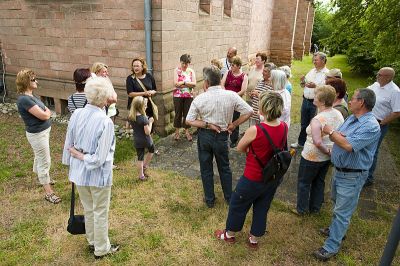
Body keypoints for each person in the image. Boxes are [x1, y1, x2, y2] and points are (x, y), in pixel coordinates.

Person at [214, 91, 288, 249]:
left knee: (238, 204)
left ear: (262, 110)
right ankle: (254, 239)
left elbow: (240, 148)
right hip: (272, 177)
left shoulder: (256, 130)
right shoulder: (284, 126)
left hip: (253, 177)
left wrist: (253, 151)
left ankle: (229, 235)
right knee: (262, 207)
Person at [313, 88, 380, 261]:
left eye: (353, 99)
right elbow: (341, 136)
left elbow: (348, 145)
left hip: (352, 175)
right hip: (340, 171)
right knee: (337, 203)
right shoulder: (352, 118)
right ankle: (335, 230)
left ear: (362, 103)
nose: (349, 101)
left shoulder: (371, 126)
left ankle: (331, 246)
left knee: (343, 212)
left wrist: (330, 132)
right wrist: (338, 137)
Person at [62, 77, 119, 259]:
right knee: (100, 211)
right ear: (105, 98)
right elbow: (99, 159)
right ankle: (101, 249)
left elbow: (68, 145)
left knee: (89, 208)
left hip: (79, 172)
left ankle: (93, 240)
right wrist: (80, 156)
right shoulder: (105, 122)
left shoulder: (77, 114)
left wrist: (74, 161)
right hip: (97, 175)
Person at [186, 66, 253, 208]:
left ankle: (210, 199)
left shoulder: (199, 98)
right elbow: (249, 111)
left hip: (205, 136)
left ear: (206, 82)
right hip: (222, 136)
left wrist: (206, 124)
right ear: (219, 80)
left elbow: (189, 120)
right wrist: (234, 124)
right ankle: (229, 198)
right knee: (225, 167)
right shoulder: (231, 95)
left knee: (206, 167)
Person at [295, 85, 344, 215]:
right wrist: (330, 152)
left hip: (312, 156)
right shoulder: (337, 113)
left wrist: (327, 151)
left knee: (304, 182)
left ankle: (301, 209)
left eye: (316, 95)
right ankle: (315, 208)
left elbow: (317, 142)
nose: (313, 97)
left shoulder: (317, 119)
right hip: (327, 157)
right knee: (319, 181)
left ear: (321, 101)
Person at [16, 69, 61, 204]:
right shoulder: (25, 99)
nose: (37, 82)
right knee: (44, 161)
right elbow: (45, 114)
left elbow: (46, 110)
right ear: (26, 82)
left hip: (42, 132)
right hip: (37, 134)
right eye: (34, 80)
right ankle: (48, 193)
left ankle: (42, 178)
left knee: (40, 156)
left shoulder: (31, 96)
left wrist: (47, 111)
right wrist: (47, 112)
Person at [365, 67, 400, 187]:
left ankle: (368, 178)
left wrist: (382, 123)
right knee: (364, 147)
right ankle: (361, 172)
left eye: (380, 75)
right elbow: (365, 92)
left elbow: (397, 112)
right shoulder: (375, 85)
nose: (377, 76)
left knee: (372, 151)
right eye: (378, 74)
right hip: (367, 120)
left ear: (388, 77)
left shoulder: (395, 91)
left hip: (379, 124)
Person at [291, 52, 329, 148]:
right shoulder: (312, 71)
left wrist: (315, 86)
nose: (314, 61)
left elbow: (327, 90)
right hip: (306, 100)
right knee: (304, 123)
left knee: (314, 124)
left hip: (316, 103)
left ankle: (311, 144)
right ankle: (301, 142)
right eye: (314, 59)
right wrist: (302, 81)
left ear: (323, 60)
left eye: (316, 60)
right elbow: (303, 85)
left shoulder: (327, 74)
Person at [222, 56, 248, 147]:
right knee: (224, 118)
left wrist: (233, 97)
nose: (231, 67)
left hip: (236, 102)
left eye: (233, 65)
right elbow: (222, 84)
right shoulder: (228, 72)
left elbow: (243, 90)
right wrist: (225, 94)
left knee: (235, 119)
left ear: (238, 66)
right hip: (225, 99)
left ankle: (234, 139)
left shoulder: (244, 76)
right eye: (231, 65)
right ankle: (223, 136)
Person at [128, 96, 155, 181]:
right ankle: (145, 166)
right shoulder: (144, 118)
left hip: (137, 139)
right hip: (146, 140)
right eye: (145, 105)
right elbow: (147, 132)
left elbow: (127, 126)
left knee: (140, 157)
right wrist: (150, 122)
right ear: (141, 107)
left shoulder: (131, 116)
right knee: (152, 150)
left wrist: (136, 128)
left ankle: (141, 175)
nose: (146, 107)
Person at [173, 54, 197, 141]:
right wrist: (188, 84)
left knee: (187, 114)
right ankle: (177, 132)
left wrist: (182, 82)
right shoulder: (176, 70)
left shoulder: (191, 71)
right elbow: (176, 84)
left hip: (188, 96)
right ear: (180, 62)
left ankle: (187, 131)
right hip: (178, 95)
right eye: (183, 63)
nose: (184, 65)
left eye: (187, 63)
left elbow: (194, 84)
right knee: (178, 113)